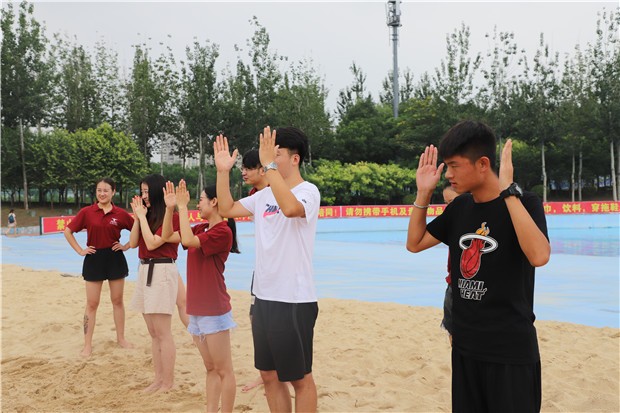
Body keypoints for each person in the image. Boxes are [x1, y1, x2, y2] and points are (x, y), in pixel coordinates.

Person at [406, 120, 550, 412]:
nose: (448, 174)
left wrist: (508, 192)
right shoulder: (460, 207)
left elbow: (539, 256)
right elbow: (415, 243)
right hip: (466, 348)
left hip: (510, 352)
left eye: (454, 166)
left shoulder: (526, 203)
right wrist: (423, 194)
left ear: (483, 164)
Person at [214, 126, 321, 413]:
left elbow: (291, 209)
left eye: (276, 155)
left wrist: (269, 167)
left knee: (299, 378)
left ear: (295, 159)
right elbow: (226, 208)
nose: (268, 160)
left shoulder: (308, 191)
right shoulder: (263, 196)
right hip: (263, 297)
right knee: (269, 374)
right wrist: (223, 172)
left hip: (293, 299)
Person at [162, 179, 239, 413]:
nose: (198, 204)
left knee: (224, 369)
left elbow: (186, 241)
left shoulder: (222, 231)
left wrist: (182, 207)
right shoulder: (201, 228)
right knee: (210, 367)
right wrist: (170, 209)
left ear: (214, 202)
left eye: (201, 199)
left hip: (214, 309)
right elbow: (167, 235)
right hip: (196, 309)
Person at [64, 177, 134, 357]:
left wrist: (126, 246)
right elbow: (68, 231)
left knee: (117, 301)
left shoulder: (120, 214)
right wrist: (80, 250)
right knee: (92, 303)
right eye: (99, 190)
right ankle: (87, 345)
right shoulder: (87, 212)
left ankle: (121, 339)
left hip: (115, 258)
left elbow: (138, 231)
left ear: (113, 192)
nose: (102, 194)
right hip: (94, 259)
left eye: (106, 190)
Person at [128, 174, 185, 393]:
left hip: (161, 270)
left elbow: (152, 243)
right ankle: (159, 379)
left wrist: (142, 218)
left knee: (163, 332)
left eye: (146, 191)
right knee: (153, 332)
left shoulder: (171, 217)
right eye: (141, 191)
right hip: (144, 269)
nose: (143, 196)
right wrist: (138, 218)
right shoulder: (147, 215)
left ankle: (168, 382)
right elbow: (134, 243)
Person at [440, 183, 459, 344]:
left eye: (452, 202)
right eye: (446, 203)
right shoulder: (451, 221)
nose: (449, 207)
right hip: (452, 282)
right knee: (451, 328)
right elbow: (415, 243)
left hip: (469, 285)